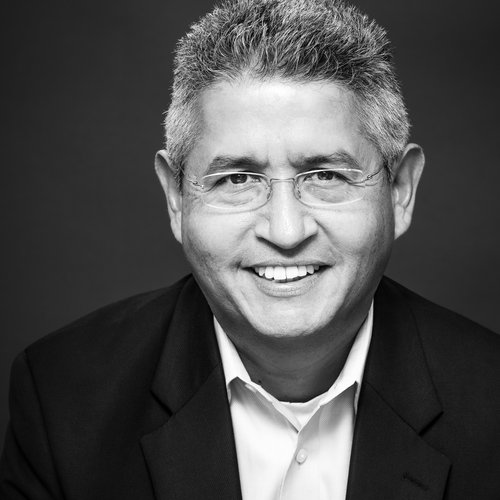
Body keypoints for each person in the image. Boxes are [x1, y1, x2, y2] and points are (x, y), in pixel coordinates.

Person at [1, 0, 499, 498]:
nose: (285, 231)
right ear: (176, 198)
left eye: (326, 175)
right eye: (237, 179)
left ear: (400, 191)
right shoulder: (62, 399)